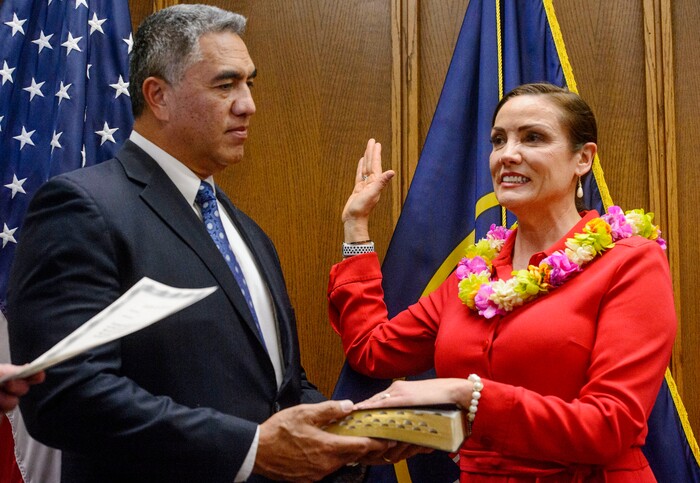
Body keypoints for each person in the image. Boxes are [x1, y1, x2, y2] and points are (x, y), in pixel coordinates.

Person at [6, 5, 415, 482]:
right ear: (157, 96)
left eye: (249, 84)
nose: (248, 104)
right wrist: (251, 448)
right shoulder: (81, 208)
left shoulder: (248, 232)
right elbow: (64, 397)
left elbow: (279, 388)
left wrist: (350, 435)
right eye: (225, 85)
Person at [328, 83, 677, 481]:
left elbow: (610, 426)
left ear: (583, 158)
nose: (507, 155)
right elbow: (372, 351)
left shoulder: (630, 262)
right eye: (498, 140)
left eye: (533, 138)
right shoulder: (473, 275)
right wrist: (356, 226)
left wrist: (464, 396)